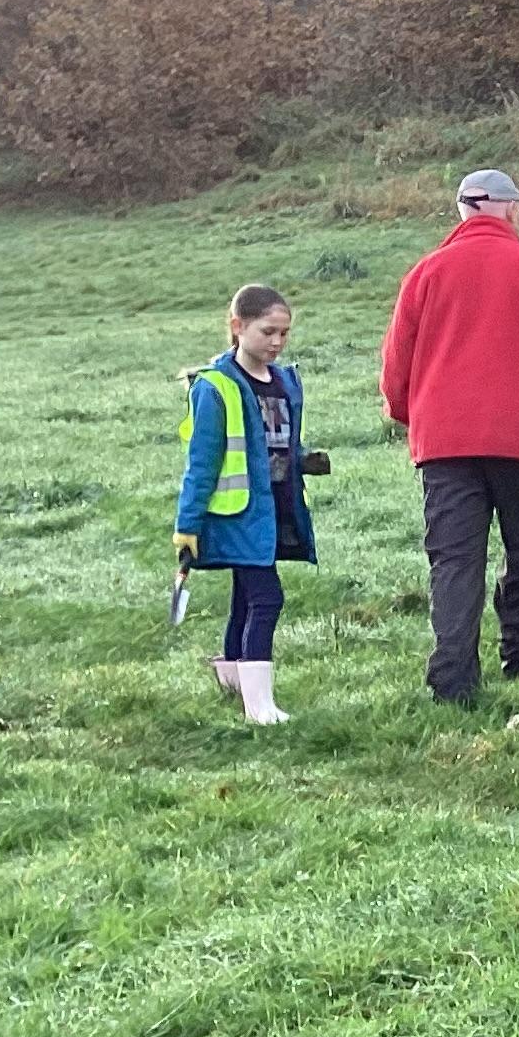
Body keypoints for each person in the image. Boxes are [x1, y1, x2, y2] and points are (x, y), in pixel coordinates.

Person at [379, 169, 519, 705]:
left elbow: (396, 367)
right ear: (511, 209)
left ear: (463, 212)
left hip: (444, 445)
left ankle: (453, 680)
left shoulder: (424, 273)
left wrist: (417, 417)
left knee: (454, 561)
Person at [174, 282, 323, 727]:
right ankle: (260, 708)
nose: (277, 342)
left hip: (277, 510)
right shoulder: (215, 387)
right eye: (267, 332)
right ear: (238, 327)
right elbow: (201, 463)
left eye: (284, 333)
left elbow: (275, 445)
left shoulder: (285, 382)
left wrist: (303, 461)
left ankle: (233, 684)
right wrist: (187, 526)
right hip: (237, 516)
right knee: (267, 597)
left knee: (245, 596)